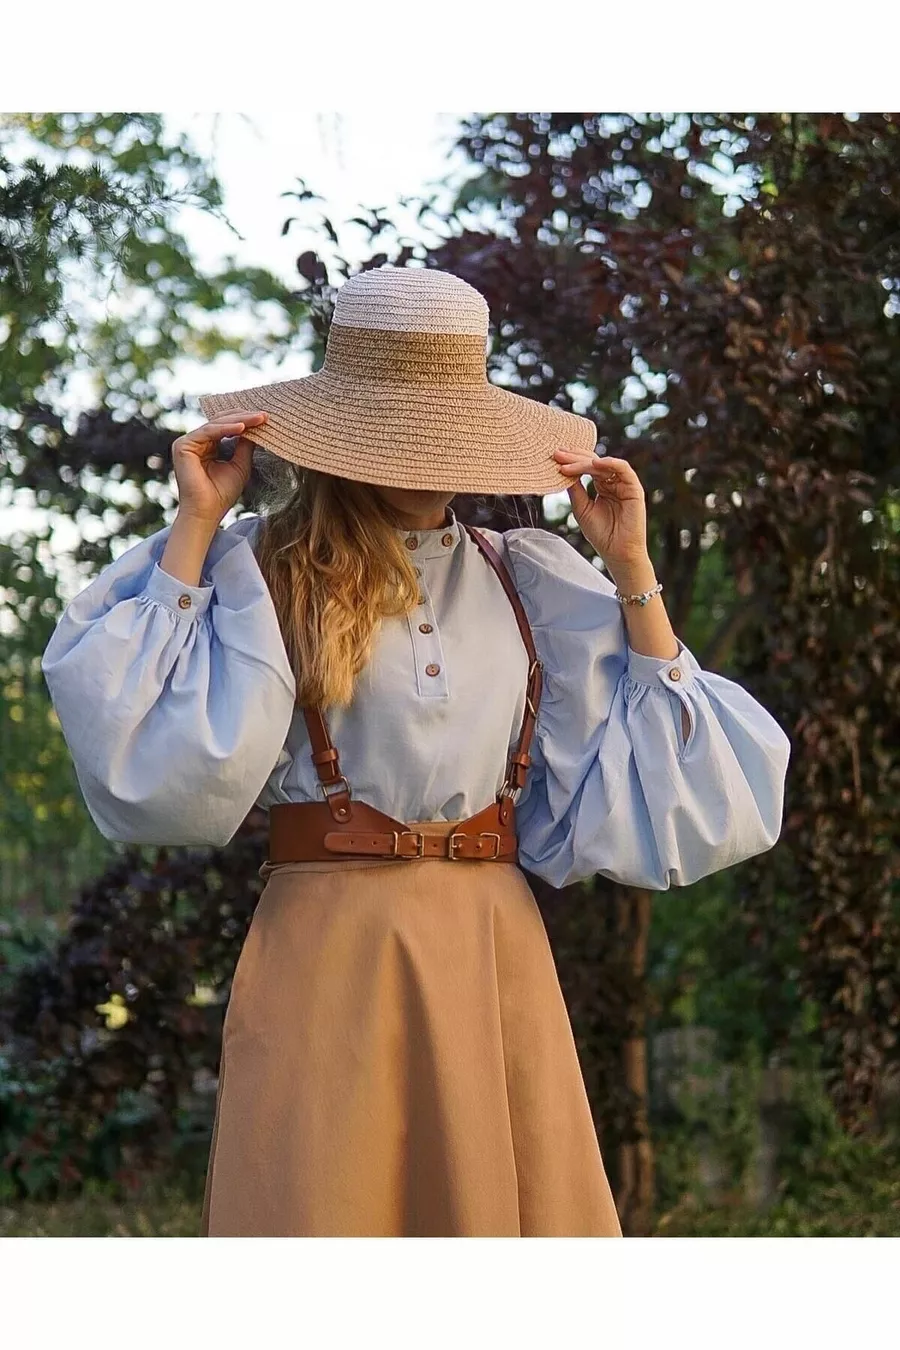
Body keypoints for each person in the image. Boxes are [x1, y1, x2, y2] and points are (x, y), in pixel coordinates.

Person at [41, 265, 791, 1238]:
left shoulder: (524, 577)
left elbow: (687, 786)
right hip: (331, 949)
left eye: (444, 431)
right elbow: (145, 753)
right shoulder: (262, 566)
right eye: (400, 430)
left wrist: (631, 565)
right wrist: (197, 520)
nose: (427, 457)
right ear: (342, 434)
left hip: (491, 947)